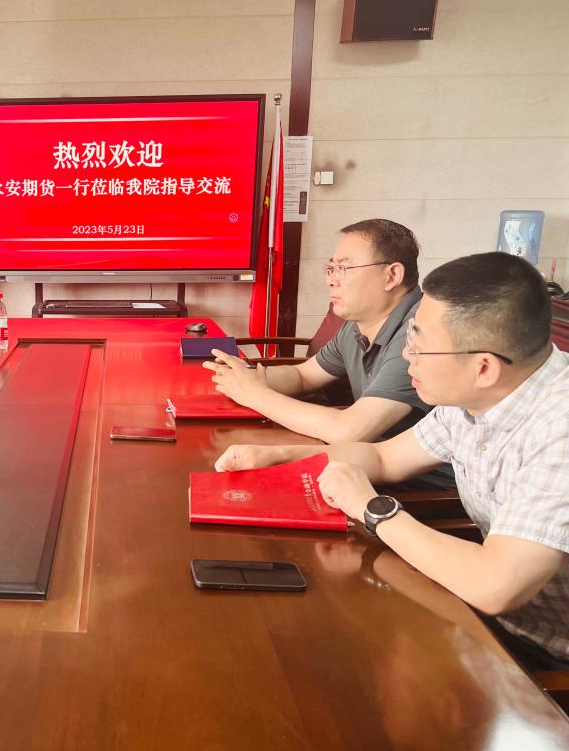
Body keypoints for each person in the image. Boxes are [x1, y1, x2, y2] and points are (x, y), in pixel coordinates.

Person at [217, 253, 569, 669]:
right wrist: (280, 457)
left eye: (421, 347)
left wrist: (373, 509)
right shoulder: (473, 395)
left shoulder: (557, 429)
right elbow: (383, 457)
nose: (406, 357)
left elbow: (495, 585)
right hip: (486, 619)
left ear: (484, 368)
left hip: (543, 654)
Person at [204, 218, 433, 446]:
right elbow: (303, 376)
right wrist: (246, 377)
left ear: (392, 276)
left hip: (408, 469)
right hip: (370, 458)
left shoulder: (421, 332)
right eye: (331, 269)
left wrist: (255, 394)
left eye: (344, 268)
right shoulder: (358, 324)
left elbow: (351, 430)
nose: (331, 281)